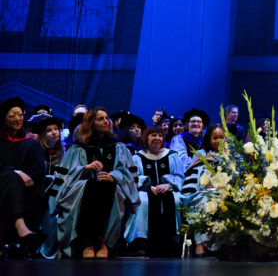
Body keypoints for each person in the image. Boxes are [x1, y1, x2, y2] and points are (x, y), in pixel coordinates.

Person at [54, 107, 138, 259]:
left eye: (107, 118)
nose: (106, 121)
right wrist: (85, 168)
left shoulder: (117, 146)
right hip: (81, 186)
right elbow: (65, 174)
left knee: (108, 187)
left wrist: (114, 176)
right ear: (90, 122)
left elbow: (127, 172)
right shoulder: (77, 146)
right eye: (100, 119)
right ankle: (87, 241)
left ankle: (102, 241)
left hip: (110, 186)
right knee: (91, 187)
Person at [125, 126, 185, 257]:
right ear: (146, 138)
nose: (157, 138)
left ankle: (172, 241)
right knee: (142, 200)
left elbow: (180, 176)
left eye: (160, 135)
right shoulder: (137, 157)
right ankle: (140, 242)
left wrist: (168, 185)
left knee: (175, 200)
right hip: (145, 190)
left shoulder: (172, 155)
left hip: (169, 190)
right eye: (153, 135)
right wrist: (149, 186)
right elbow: (133, 178)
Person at [0, 97, 46, 259]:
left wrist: (22, 177)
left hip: (27, 190)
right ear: (3, 118)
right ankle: (19, 223)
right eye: (12, 115)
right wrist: (17, 173)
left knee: (12, 183)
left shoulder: (31, 144)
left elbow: (39, 171)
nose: (18, 118)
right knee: (9, 177)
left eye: (20, 114)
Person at [181, 124, 227, 256]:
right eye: (215, 138)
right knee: (206, 197)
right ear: (208, 139)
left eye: (222, 137)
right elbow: (190, 184)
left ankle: (228, 244)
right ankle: (200, 243)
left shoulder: (232, 157)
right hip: (200, 193)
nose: (219, 141)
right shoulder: (201, 157)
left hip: (226, 192)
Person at [31, 114, 65, 259]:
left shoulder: (63, 153)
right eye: (49, 130)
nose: (54, 132)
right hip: (38, 192)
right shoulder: (36, 151)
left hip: (58, 192)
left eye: (56, 129)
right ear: (43, 135)